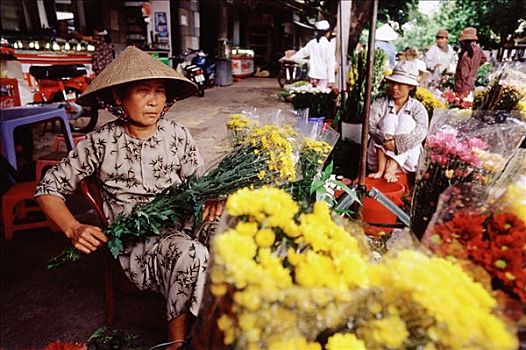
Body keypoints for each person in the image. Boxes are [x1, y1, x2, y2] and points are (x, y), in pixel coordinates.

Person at [34, 46, 223, 350]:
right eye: (142, 91)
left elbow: (199, 184)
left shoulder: (177, 135)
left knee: (231, 234)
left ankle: (232, 326)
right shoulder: (101, 142)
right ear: (118, 98)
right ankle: (177, 344)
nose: (153, 100)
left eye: (159, 91)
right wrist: (72, 227)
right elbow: (48, 188)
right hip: (140, 238)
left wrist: (215, 196)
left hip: (184, 217)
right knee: (192, 254)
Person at [367, 61, 429, 183]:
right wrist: (386, 140)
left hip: (405, 163)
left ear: (410, 86)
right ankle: (384, 169)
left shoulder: (417, 108)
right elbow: (370, 124)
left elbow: (422, 131)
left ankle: (393, 165)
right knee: (390, 118)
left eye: (400, 84)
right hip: (379, 158)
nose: (395, 88)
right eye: (393, 83)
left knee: (407, 120)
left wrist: (398, 143)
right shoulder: (380, 103)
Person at [289, 20, 336, 89]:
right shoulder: (328, 45)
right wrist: (331, 80)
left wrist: (292, 58)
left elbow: (302, 53)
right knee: (322, 94)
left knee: (313, 93)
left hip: (313, 74)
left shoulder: (312, 43)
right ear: (328, 33)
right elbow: (330, 63)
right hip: (324, 76)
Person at [453, 27, 487, 98]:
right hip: (471, 85)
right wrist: (475, 68)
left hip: (463, 88)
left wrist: (462, 94)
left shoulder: (466, 55)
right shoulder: (478, 50)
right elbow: (484, 60)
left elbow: (463, 76)